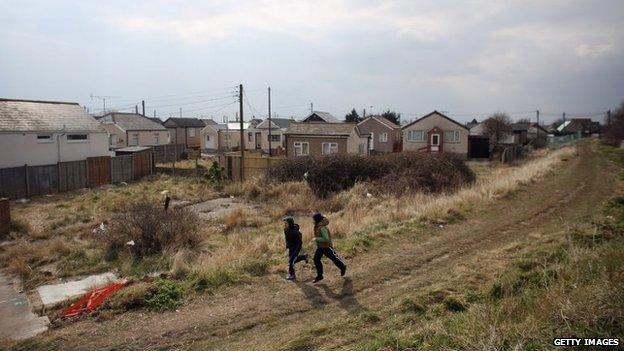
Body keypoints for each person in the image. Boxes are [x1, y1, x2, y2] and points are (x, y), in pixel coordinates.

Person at [311, 212, 346, 283]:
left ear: (317, 220)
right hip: (320, 247)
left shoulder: (322, 228)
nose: (312, 221)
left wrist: (316, 239)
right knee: (316, 259)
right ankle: (320, 276)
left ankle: (342, 267)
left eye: (313, 219)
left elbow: (326, 239)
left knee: (334, 258)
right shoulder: (317, 226)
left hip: (327, 247)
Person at [283, 216, 308, 281]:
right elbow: (287, 238)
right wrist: (287, 245)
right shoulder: (285, 230)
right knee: (293, 260)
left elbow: (299, 242)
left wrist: (296, 250)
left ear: (290, 224)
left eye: (286, 223)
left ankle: (292, 275)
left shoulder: (295, 232)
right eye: (284, 223)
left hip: (296, 248)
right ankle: (304, 257)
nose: (285, 225)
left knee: (291, 261)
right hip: (291, 247)